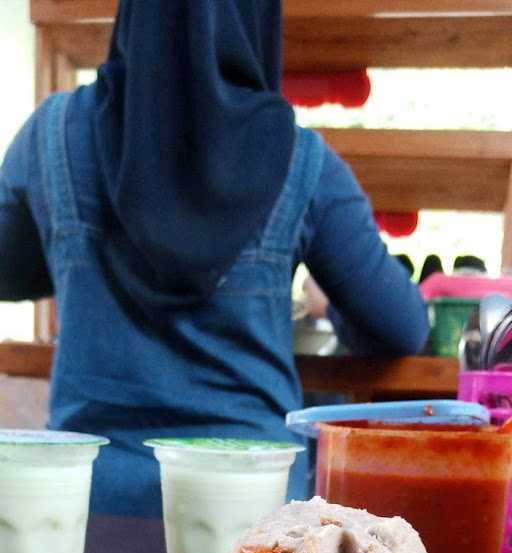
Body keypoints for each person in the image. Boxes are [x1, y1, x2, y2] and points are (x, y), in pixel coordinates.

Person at [0, 0, 429, 519]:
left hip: (87, 506)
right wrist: (326, 307)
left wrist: (79, 250)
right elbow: (402, 326)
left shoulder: (51, 136)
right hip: (252, 512)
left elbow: (9, 271)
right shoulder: (302, 161)